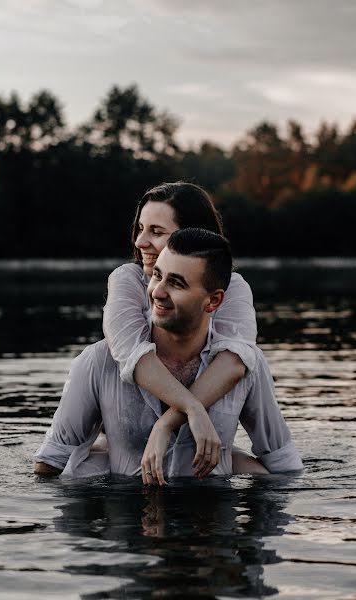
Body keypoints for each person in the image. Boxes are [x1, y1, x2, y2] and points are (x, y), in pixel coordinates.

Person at [34, 229, 303, 483]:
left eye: (176, 283)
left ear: (213, 301)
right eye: (157, 276)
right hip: (129, 515)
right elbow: (49, 465)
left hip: (213, 519)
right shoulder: (98, 361)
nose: (158, 292)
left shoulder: (246, 366)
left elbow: (283, 465)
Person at [102, 181, 259, 475]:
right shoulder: (125, 279)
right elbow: (132, 356)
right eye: (140, 228)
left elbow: (237, 360)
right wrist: (193, 409)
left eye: (156, 232)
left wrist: (169, 421)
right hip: (129, 442)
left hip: (191, 438)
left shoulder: (232, 287)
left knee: (259, 472)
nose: (140, 242)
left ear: (192, 237)